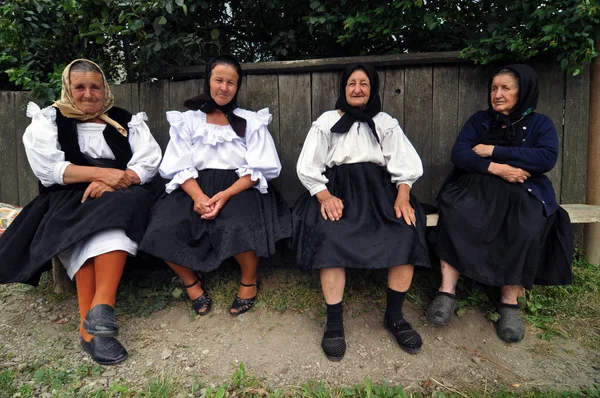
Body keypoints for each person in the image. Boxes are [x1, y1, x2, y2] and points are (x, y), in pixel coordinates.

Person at [0, 59, 162, 364]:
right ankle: (94, 328)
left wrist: (119, 181)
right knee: (91, 232)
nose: (88, 94)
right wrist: (101, 175)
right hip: (67, 198)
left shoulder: (125, 120)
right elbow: (49, 168)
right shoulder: (49, 120)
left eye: (95, 87)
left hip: (121, 195)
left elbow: (148, 160)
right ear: (68, 89)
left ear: (105, 89)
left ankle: (98, 314)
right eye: (80, 87)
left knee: (120, 213)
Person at [426, 64, 573, 342]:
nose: (498, 94)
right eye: (494, 88)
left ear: (523, 91)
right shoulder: (480, 120)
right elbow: (460, 153)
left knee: (528, 225)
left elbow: (545, 159)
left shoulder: (541, 124)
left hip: (523, 190)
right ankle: (447, 291)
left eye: (506, 88)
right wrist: (496, 168)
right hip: (476, 187)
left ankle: (509, 302)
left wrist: (492, 150)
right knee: (456, 215)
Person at [292, 63, 430, 361]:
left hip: (381, 192)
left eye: (364, 84)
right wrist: (324, 195)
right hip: (339, 190)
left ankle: (394, 316)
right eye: (352, 83)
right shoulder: (327, 121)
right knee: (330, 235)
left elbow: (406, 164)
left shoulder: (385, 122)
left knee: (405, 231)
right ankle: (334, 323)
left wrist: (403, 195)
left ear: (372, 89)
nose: (357, 88)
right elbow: (308, 166)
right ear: (344, 89)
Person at [139, 55, 291, 317]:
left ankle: (249, 280)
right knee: (162, 227)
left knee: (239, 223)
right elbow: (177, 162)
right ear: (207, 81)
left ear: (237, 86)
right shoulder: (187, 121)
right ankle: (191, 281)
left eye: (231, 82)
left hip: (239, 185)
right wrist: (198, 197)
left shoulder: (250, 121)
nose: (224, 87)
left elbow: (260, 166)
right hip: (193, 184)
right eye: (219, 80)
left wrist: (227, 193)